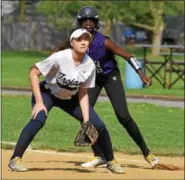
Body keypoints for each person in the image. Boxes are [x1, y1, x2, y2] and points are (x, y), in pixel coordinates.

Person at [52, 6, 161, 169]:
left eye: (92, 20)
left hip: (111, 77)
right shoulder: (75, 40)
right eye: (84, 20)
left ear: (96, 24)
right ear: (79, 23)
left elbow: (128, 55)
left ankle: (148, 154)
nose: (88, 23)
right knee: (85, 114)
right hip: (92, 79)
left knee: (123, 116)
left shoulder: (104, 42)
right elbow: (58, 50)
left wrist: (141, 74)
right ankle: (99, 156)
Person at [8, 28, 125, 174]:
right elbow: (34, 72)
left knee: (99, 125)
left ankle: (111, 161)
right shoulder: (60, 57)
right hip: (47, 94)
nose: (83, 42)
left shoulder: (89, 65)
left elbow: (83, 92)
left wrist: (86, 121)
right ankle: (15, 159)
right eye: (79, 39)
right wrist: (39, 102)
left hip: (70, 97)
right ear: (72, 42)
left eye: (86, 39)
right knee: (39, 119)